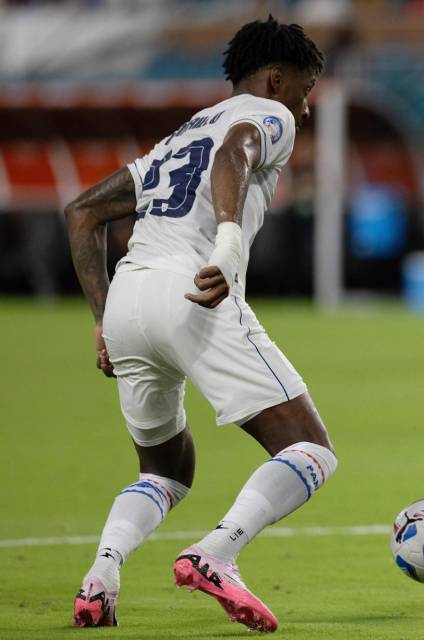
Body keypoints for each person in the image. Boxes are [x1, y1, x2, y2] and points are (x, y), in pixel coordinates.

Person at [65, 16, 334, 632]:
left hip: (129, 300)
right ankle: (218, 553)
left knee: (164, 470)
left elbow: (81, 212)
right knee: (310, 449)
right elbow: (240, 147)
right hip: (194, 291)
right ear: (274, 78)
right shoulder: (268, 114)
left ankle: (100, 578)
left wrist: (103, 318)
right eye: (306, 87)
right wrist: (229, 242)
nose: (306, 107)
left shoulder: (179, 136)